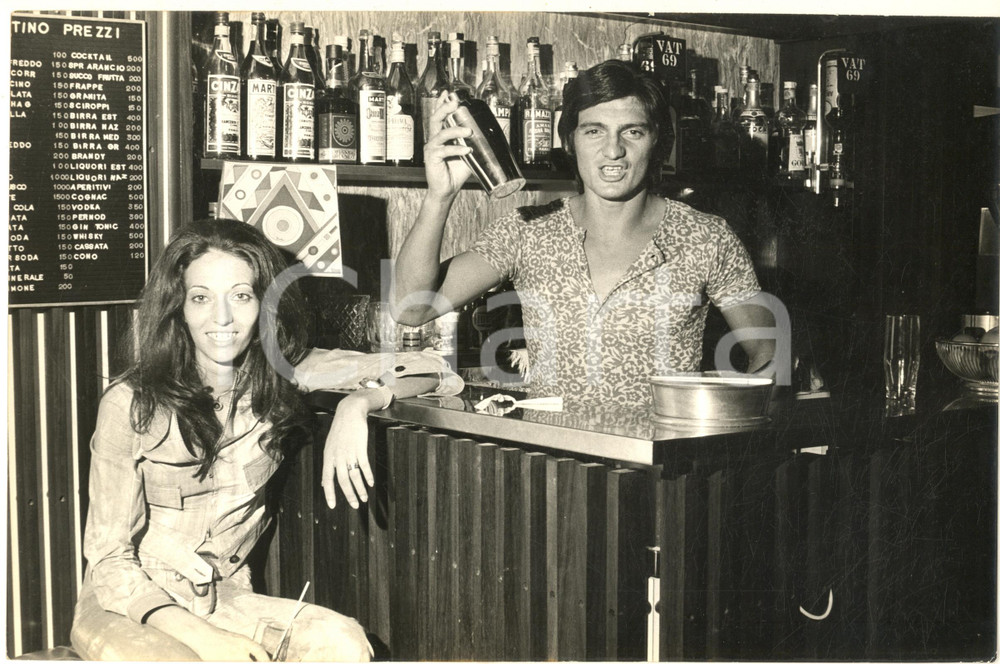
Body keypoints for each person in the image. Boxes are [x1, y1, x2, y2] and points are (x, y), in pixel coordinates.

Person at [70, 219, 461, 661]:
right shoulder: (131, 403)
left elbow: (435, 370)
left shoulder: (286, 374)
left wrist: (361, 404)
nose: (222, 318)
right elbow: (109, 563)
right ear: (178, 306)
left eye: (241, 295)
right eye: (201, 298)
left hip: (226, 600)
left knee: (344, 644)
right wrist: (206, 641)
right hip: (130, 608)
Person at [393, 59, 776, 407]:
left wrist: (718, 424)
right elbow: (412, 309)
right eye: (594, 131)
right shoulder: (527, 230)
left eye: (633, 132)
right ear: (569, 141)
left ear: (658, 142)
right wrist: (439, 198)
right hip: (554, 465)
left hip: (661, 472)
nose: (613, 150)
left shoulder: (706, 236)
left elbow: (770, 351)